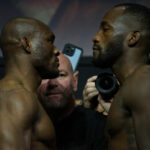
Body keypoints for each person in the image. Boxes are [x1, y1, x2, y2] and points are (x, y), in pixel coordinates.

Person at [92, 3, 150, 150]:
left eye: (105, 30)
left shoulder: (143, 80)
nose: (95, 37)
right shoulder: (131, 85)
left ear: (133, 37)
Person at [0, 17, 60, 150]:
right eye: (49, 41)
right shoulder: (15, 98)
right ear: (27, 44)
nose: (56, 51)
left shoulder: (22, 95)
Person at [38, 53, 107, 150]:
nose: (53, 83)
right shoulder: (24, 129)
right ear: (34, 81)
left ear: (75, 81)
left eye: (61, 75)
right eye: (46, 75)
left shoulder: (100, 127)